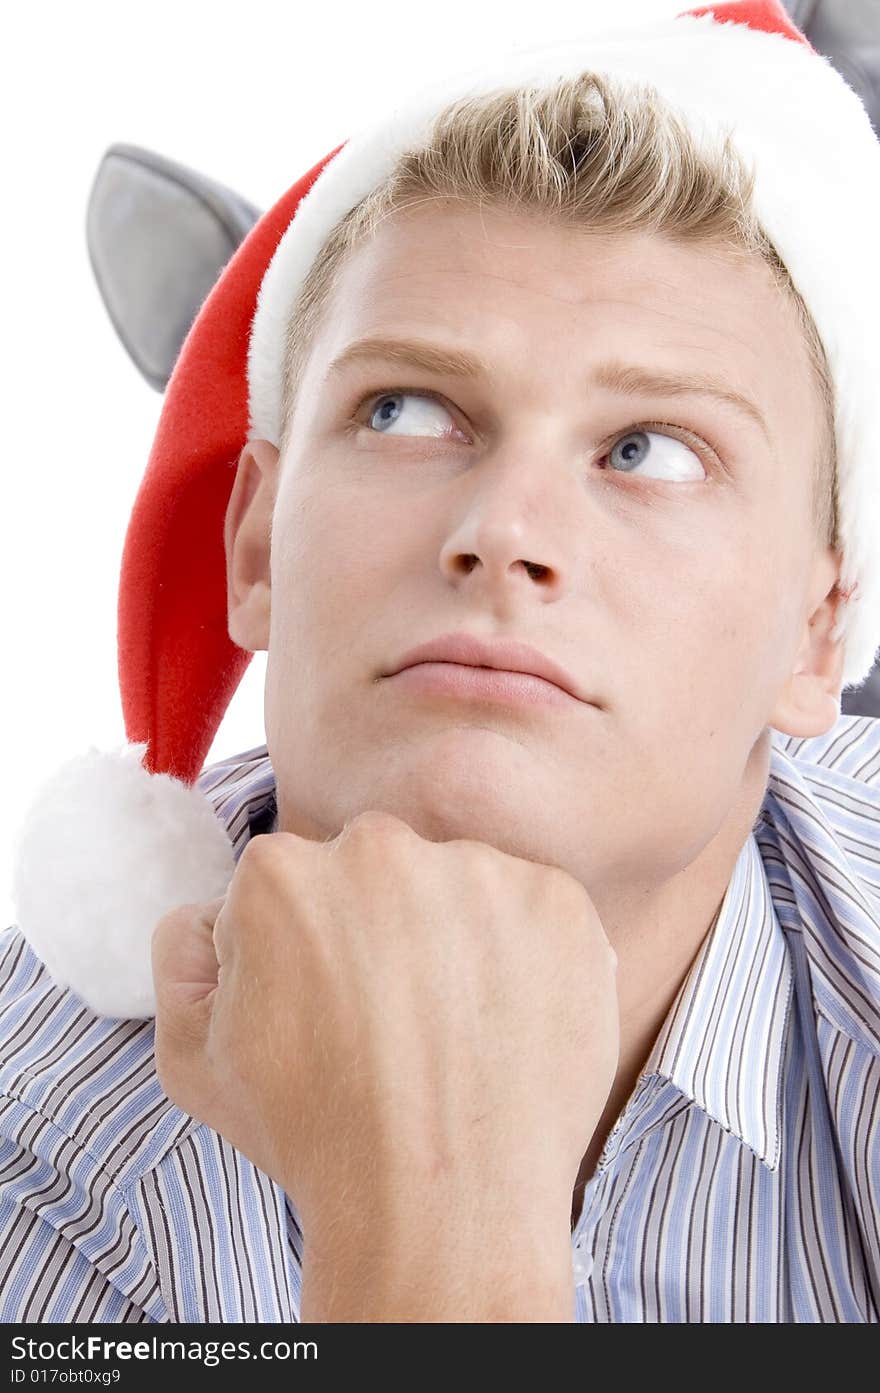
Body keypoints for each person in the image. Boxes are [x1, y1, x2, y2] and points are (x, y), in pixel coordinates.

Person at [3, 0, 880, 1322]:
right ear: (251, 549)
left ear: (823, 633)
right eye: (406, 411)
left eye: (650, 446)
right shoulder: (40, 1156)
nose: (506, 533)